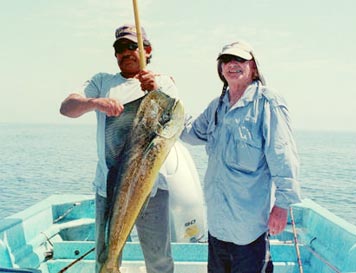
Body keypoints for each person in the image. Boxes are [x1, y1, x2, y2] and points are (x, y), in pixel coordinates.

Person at [59, 24, 176, 273]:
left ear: (147, 50)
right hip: (108, 187)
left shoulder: (164, 83)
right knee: (106, 259)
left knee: (159, 261)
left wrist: (156, 89)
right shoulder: (102, 82)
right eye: (120, 48)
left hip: (150, 190)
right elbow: (66, 107)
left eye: (132, 46)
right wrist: (94, 102)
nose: (126, 52)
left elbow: (176, 118)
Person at [180, 41, 301, 273]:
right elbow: (190, 133)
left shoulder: (268, 102)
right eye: (226, 60)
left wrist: (282, 206)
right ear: (220, 69)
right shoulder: (216, 106)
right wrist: (167, 99)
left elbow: (283, 156)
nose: (231, 64)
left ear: (253, 67)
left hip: (248, 231)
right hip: (217, 228)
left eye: (239, 60)